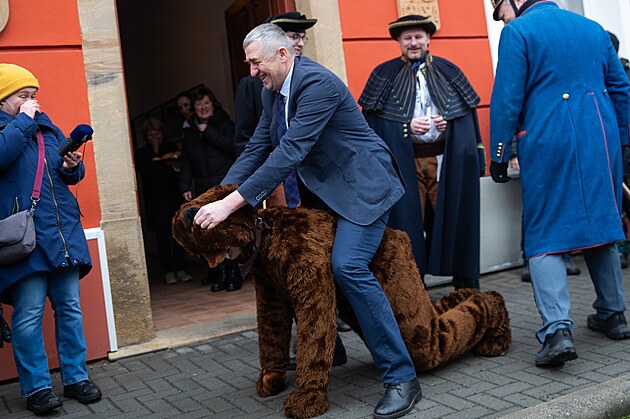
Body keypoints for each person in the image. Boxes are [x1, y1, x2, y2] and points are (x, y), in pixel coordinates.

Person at [194, 23, 422, 418]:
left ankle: (402, 377)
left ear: (283, 54)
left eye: (256, 62)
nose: (252, 72)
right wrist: (217, 195)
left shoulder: (318, 84)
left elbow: (289, 153)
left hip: (362, 187)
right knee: (308, 264)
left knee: (347, 265)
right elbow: (258, 147)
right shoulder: (271, 91)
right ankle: (332, 347)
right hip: (328, 191)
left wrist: (230, 205)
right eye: (249, 63)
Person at [489, 0, 630, 367]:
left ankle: (557, 331)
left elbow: (506, 97)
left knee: (544, 233)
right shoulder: (592, 28)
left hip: (549, 138)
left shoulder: (518, 31)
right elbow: (621, 89)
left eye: (502, 9)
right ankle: (614, 314)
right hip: (601, 137)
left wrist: (499, 152)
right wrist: (623, 140)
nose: (503, 17)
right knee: (603, 222)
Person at [0, 63, 102, 414]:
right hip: (25, 239)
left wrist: (73, 166)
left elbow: (67, 174)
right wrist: (23, 122)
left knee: (69, 309)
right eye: (23, 96)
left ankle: (76, 378)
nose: (32, 102)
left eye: (34, 95)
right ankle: (37, 389)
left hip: (61, 233)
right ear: (3, 99)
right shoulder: (11, 129)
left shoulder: (48, 128)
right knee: (28, 314)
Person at [359, 15, 486, 290]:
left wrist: (448, 125)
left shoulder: (449, 71)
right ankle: (412, 287)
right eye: (407, 38)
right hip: (405, 165)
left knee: (451, 217)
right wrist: (405, 127)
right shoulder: (383, 74)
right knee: (408, 223)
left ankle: (465, 283)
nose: (413, 43)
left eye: (418, 37)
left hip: (443, 161)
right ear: (399, 42)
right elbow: (372, 126)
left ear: (428, 39)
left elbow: (467, 120)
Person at [179, 86, 242, 291]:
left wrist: (208, 132)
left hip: (225, 187)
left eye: (206, 103)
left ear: (213, 104)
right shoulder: (190, 133)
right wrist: (185, 185)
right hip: (204, 188)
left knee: (230, 231)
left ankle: (234, 272)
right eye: (199, 104)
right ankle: (220, 271)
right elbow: (186, 162)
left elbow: (233, 147)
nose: (203, 107)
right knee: (211, 232)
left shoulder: (225, 124)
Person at [136, 117, 191, 284]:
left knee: (178, 235)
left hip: (173, 197)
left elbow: (180, 170)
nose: (155, 137)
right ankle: (168, 270)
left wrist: (174, 165)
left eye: (157, 134)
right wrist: (155, 151)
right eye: (151, 135)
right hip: (155, 201)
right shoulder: (142, 153)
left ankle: (181, 268)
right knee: (162, 238)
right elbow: (145, 171)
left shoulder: (171, 148)